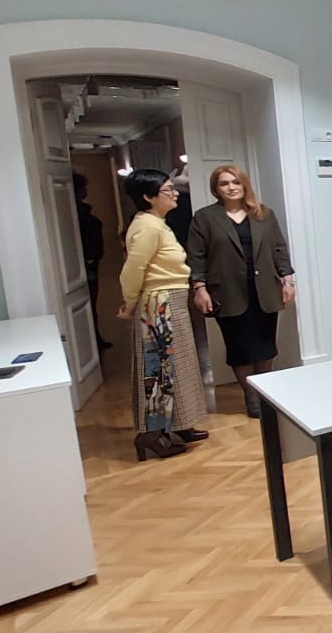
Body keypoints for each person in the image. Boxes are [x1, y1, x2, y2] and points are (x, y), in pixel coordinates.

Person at [186, 165, 296, 418]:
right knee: (239, 346)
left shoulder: (263, 214)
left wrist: (288, 282)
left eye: (236, 182)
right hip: (227, 291)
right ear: (216, 189)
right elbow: (196, 256)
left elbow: (279, 249)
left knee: (265, 344)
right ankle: (251, 396)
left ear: (244, 184)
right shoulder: (205, 217)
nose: (231, 187)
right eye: (224, 183)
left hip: (264, 288)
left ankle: (266, 394)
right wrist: (199, 288)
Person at [118, 169, 208, 460]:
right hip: (159, 302)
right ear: (148, 197)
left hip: (170, 299)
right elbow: (133, 270)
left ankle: (179, 422)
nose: (175, 193)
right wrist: (130, 302)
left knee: (177, 365)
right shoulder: (147, 227)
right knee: (158, 369)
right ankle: (151, 433)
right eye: (168, 190)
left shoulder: (156, 224)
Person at [73, 173, 112, 350]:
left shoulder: (83, 212)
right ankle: (89, 343)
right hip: (84, 263)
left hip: (90, 262)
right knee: (86, 304)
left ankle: (94, 339)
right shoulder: (76, 214)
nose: (85, 191)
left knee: (90, 303)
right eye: (82, 188)